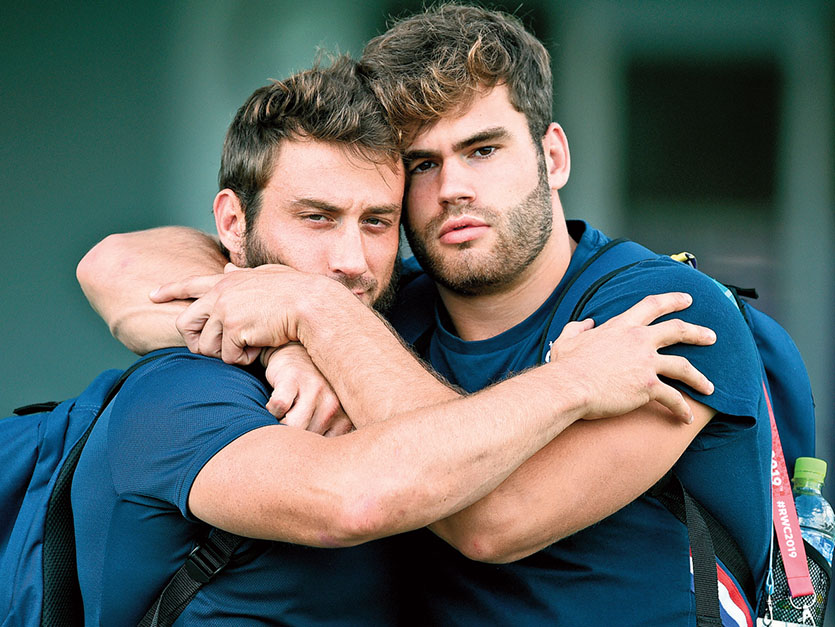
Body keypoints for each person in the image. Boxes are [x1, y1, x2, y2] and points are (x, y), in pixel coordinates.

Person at [71, 55, 716, 625]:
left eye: (378, 221)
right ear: (233, 223)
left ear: (553, 156)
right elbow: (111, 264)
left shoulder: (655, 310)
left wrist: (310, 322)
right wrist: (300, 323)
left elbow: (490, 512)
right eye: (316, 217)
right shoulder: (184, 393)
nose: (351, 260)